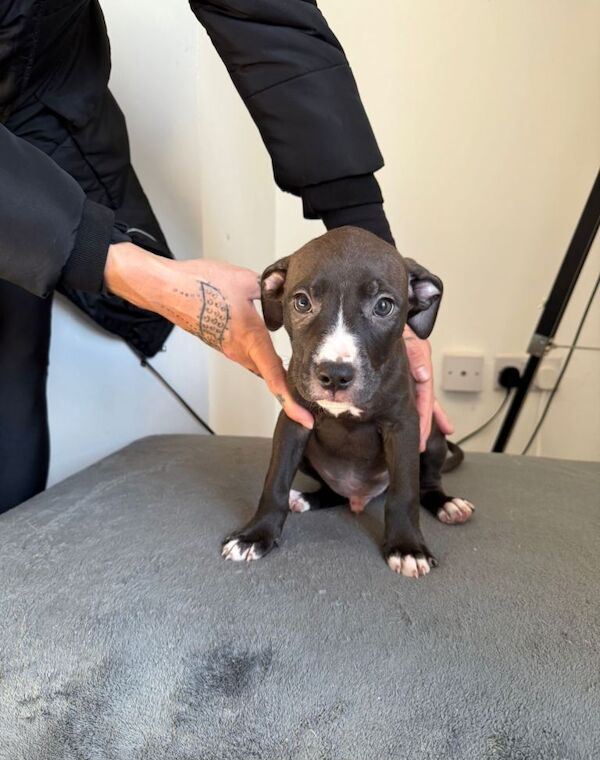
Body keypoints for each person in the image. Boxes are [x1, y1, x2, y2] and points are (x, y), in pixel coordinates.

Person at [0, 0, 452, 514]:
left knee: (16, 354)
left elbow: (266, 17)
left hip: (45, 100)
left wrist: (371, 247)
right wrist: (134, 270)